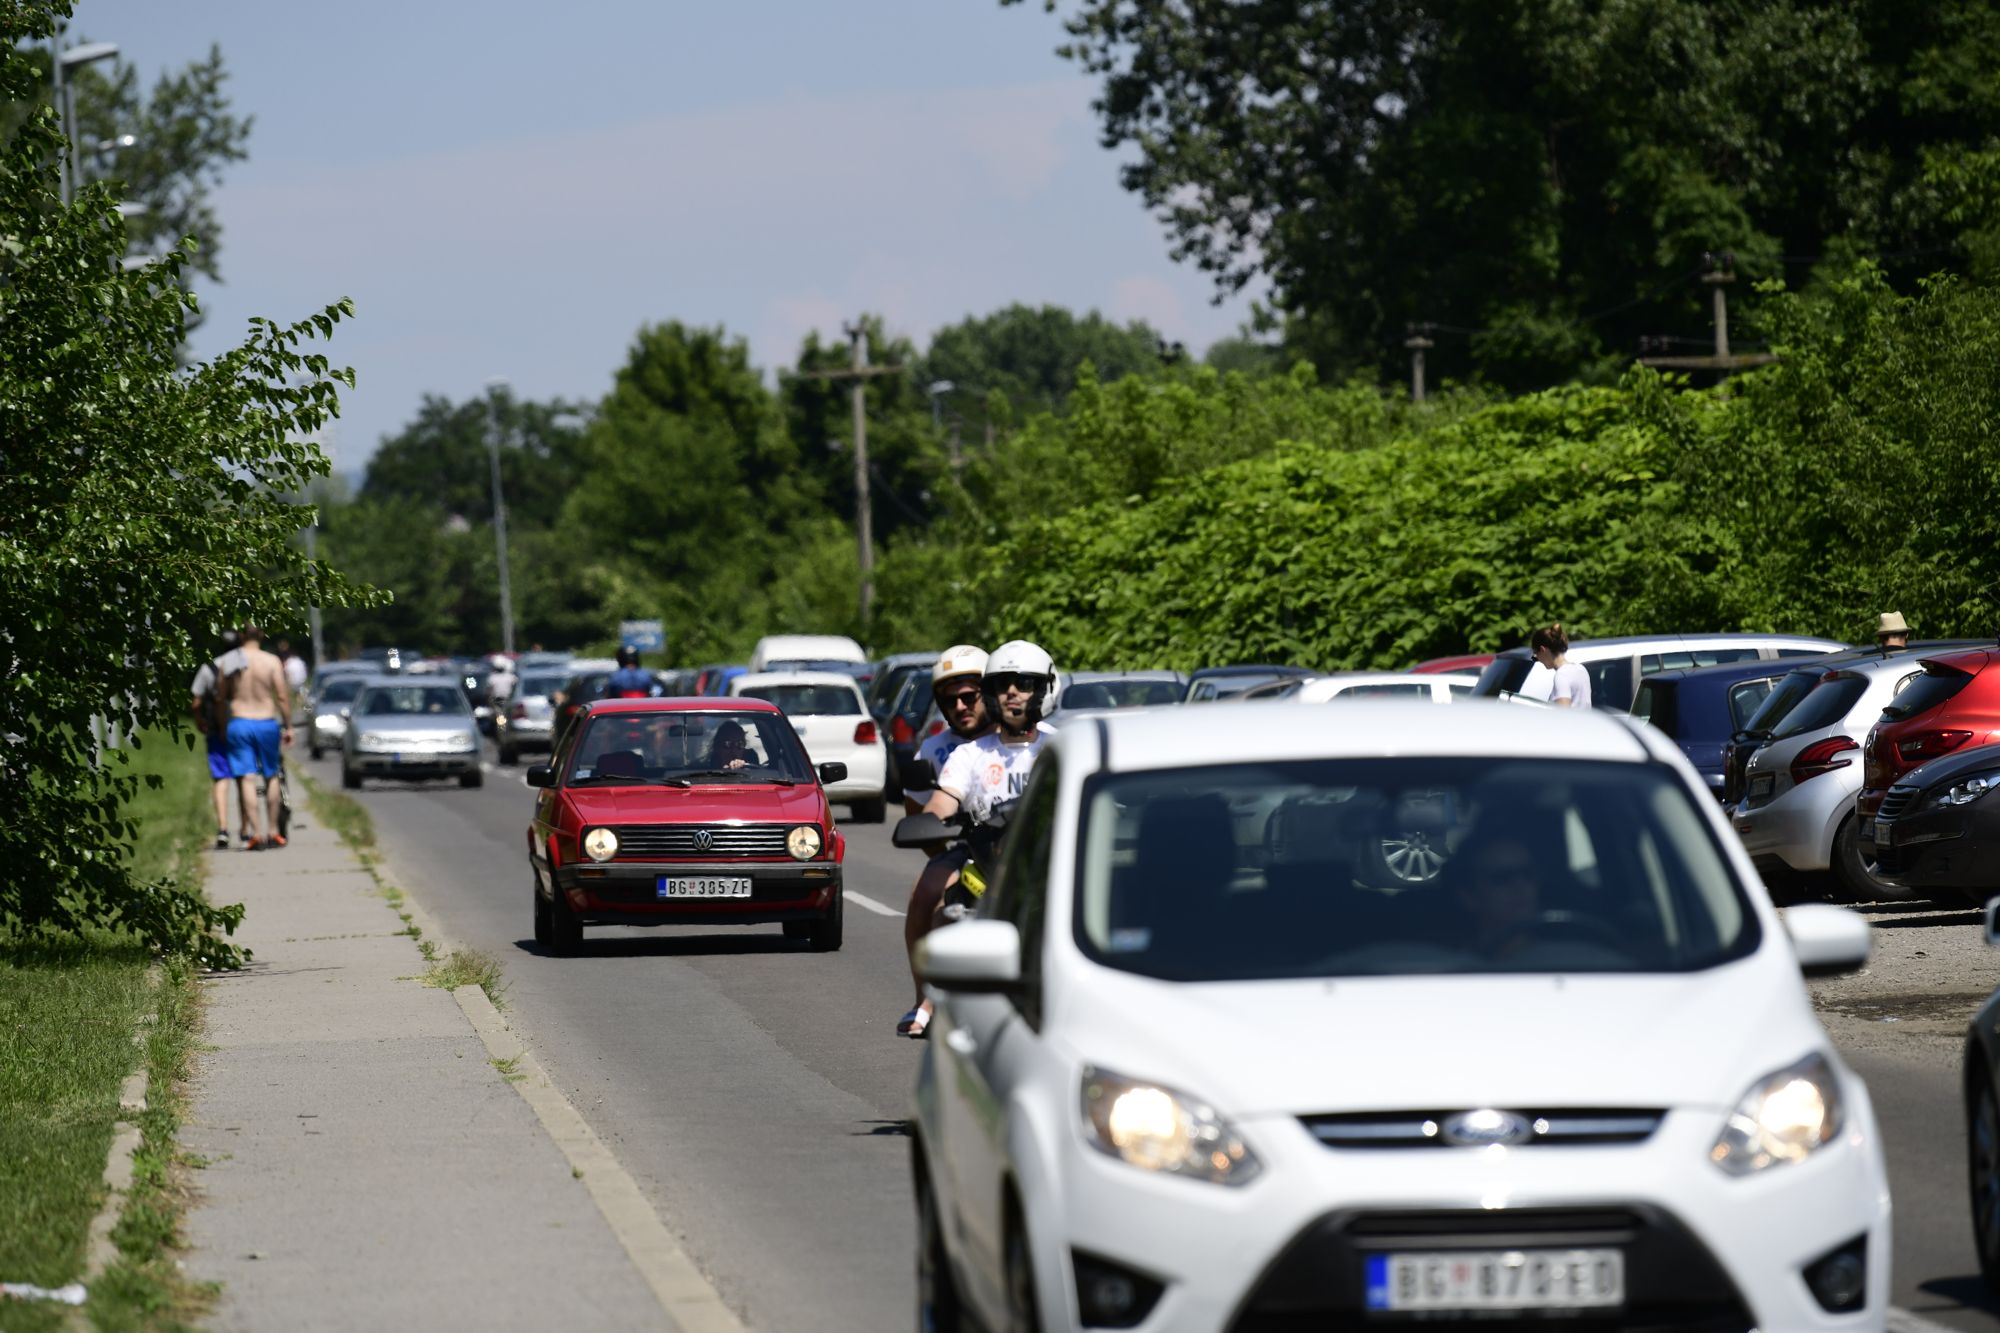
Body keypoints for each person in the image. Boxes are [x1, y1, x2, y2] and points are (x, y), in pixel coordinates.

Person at [897, 641, 1056, 1038]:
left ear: (1044, 690)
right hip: (984, 860)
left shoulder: (1061, 745)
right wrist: (933, 818)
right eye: (1003, 685)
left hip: (1053, 862)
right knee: (940, 909)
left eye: (1024, 684)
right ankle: (929, 999)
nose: (1013, 693)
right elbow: (942, 799)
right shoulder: (969, 754)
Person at [894, 647, 994, 1034]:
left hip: (1029, 849)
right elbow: (918, 814)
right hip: (969, 848)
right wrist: (945, 849)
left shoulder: (1028, 740)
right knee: (926, 891)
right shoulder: (936, 749)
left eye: (970, 696)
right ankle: (924, 999)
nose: (961, 705)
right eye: (950, 699)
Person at [226, 625, 293, 849]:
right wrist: (289, 725)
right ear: (262, 636)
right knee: (271, 775)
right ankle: (273, 831)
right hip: (265, 721)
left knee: (246, 777)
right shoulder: (271, 661)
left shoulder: (232, 660)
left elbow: (220, 695)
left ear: (241, 636)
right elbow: (282, 696)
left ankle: (255, 833)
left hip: (240, 720)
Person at [190, 631, 245, 850]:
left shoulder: (209, 669)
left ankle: (223, 829)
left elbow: (195, 703)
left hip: (216, 732)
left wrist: (200, 721)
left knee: (221, 780)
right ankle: (246, 829)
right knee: (244, 779)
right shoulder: (245, 666)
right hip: (242, 729)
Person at [1453, 834, 1543, 959]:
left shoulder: (1568, 957)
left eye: (1528, 874)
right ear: (1469, 896)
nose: (1520, 886)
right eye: (1502, 878)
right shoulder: (1451, 972)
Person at [1530, 623, 1591, 709]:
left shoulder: (1562, 675)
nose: (1537, 659)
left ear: (1543, 650)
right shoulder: (1581, 669)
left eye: (1535, 654)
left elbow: (1562, 715)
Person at [274, 636, 309, 717]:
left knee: (288, 693)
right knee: (299, 694)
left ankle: (292, 706)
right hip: (301, 680)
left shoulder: (287, 662)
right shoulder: (298, 660)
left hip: (292, 681)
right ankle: (300, 706)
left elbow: (285, 673)